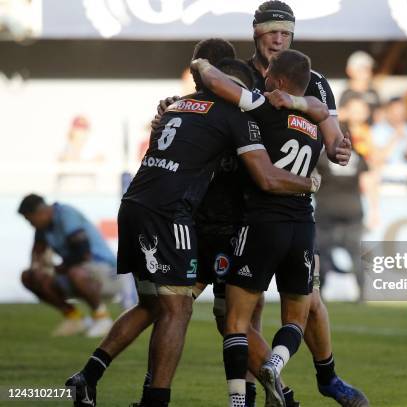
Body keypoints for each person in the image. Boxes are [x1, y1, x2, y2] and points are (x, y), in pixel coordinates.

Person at [65, 39, 321, 407]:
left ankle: (90, 375)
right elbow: (266, 176)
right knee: (204, 312)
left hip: (148, 208)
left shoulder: (176, 108)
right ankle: (251, 396)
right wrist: (310, 181)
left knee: (160, 306)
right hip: (194, 222)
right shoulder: (239, 116)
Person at [241, 2, 369, 405]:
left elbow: (334, 141)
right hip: (242, 203)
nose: (278, 39)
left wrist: (341, 149)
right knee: (248, 308)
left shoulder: (313, 82)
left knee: (310, 302)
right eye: (271, 31)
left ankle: (327, 377)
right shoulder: (240, 74)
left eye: (286, 32)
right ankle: (259, 390)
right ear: (256, 33)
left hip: (294, 205)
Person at [192, 48, 334, 407]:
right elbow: (321, 112)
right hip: (303, 226)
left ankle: (238, 402)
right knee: (295, 318)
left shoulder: (263, 107)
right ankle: (275, 362)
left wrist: (202, 64)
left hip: (261, 223)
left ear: (281, 82)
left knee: (234, 320)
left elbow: (218, 83)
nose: (264, 79)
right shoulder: (316, 124)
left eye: (270, 74)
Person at [18, 194, 119, 338]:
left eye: (30, 220)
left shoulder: (66, 215)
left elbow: (83, 253)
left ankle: (102, 318)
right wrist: (38, 269)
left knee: (75, 272)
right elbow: (37, 254)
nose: (30, 224)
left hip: (106, 272)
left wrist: (53, 268)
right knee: (29, 277)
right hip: (77, 270)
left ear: (40, 213)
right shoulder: (43, 227)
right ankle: (74, 318)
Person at [315, 142, 369, 297]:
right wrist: (375, 209)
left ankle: (320, 291)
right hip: (352, 208)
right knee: (355, 253)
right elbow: (367, 182)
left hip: (326, 208)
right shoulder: (358, 156)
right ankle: (362, 293)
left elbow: (312, 177)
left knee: (321, 253)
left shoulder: (322, 157)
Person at [339, 50, 381, 122]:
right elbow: (336, 116)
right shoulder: (344, 92)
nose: (367, 73)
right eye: (362, 69)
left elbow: (380, 116)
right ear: (350, 71)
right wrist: (353, 113)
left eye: (368, 69)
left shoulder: (374, 92)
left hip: (369, 132)